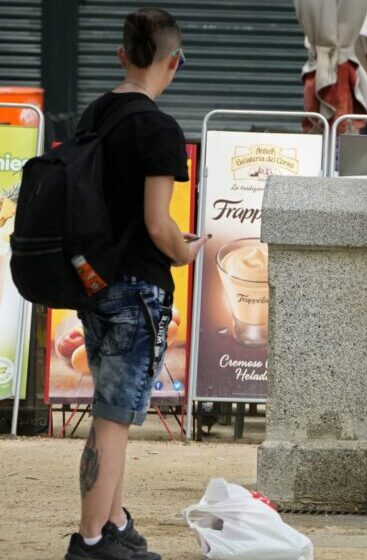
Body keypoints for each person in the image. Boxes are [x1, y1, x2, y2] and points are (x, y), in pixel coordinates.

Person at [65, 9, 205, 560]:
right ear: (176, 62)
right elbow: (156, 223)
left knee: (111, 411)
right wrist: (185, 251)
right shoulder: (159, 128)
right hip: (137, 292)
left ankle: (114, 522)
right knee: (114, 418)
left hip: (92, 284)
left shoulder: (93, 114)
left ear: (122, 56)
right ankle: (90, 540)